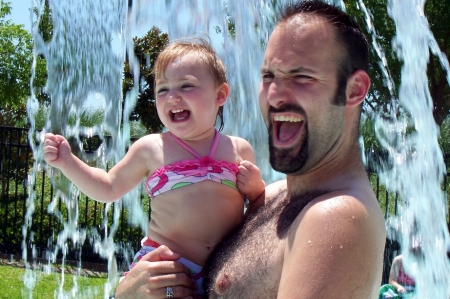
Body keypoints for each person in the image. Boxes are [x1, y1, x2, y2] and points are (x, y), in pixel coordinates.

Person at [114, 0, 387, 298]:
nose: (275, 94)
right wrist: (130, 290)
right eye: (269, 76)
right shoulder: (270, 195)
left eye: (302, 76)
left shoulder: (335, 218)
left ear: (354, 90)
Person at [43, 38, 265, 297]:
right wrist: (68, 162)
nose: (172, 96)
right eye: (162, 89)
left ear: (220, 95)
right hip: (165, 267)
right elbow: (108, 187)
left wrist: (256, 188)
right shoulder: (152, 148)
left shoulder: (239, 149)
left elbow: (259, 210)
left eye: (186, 85)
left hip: (223, 270)